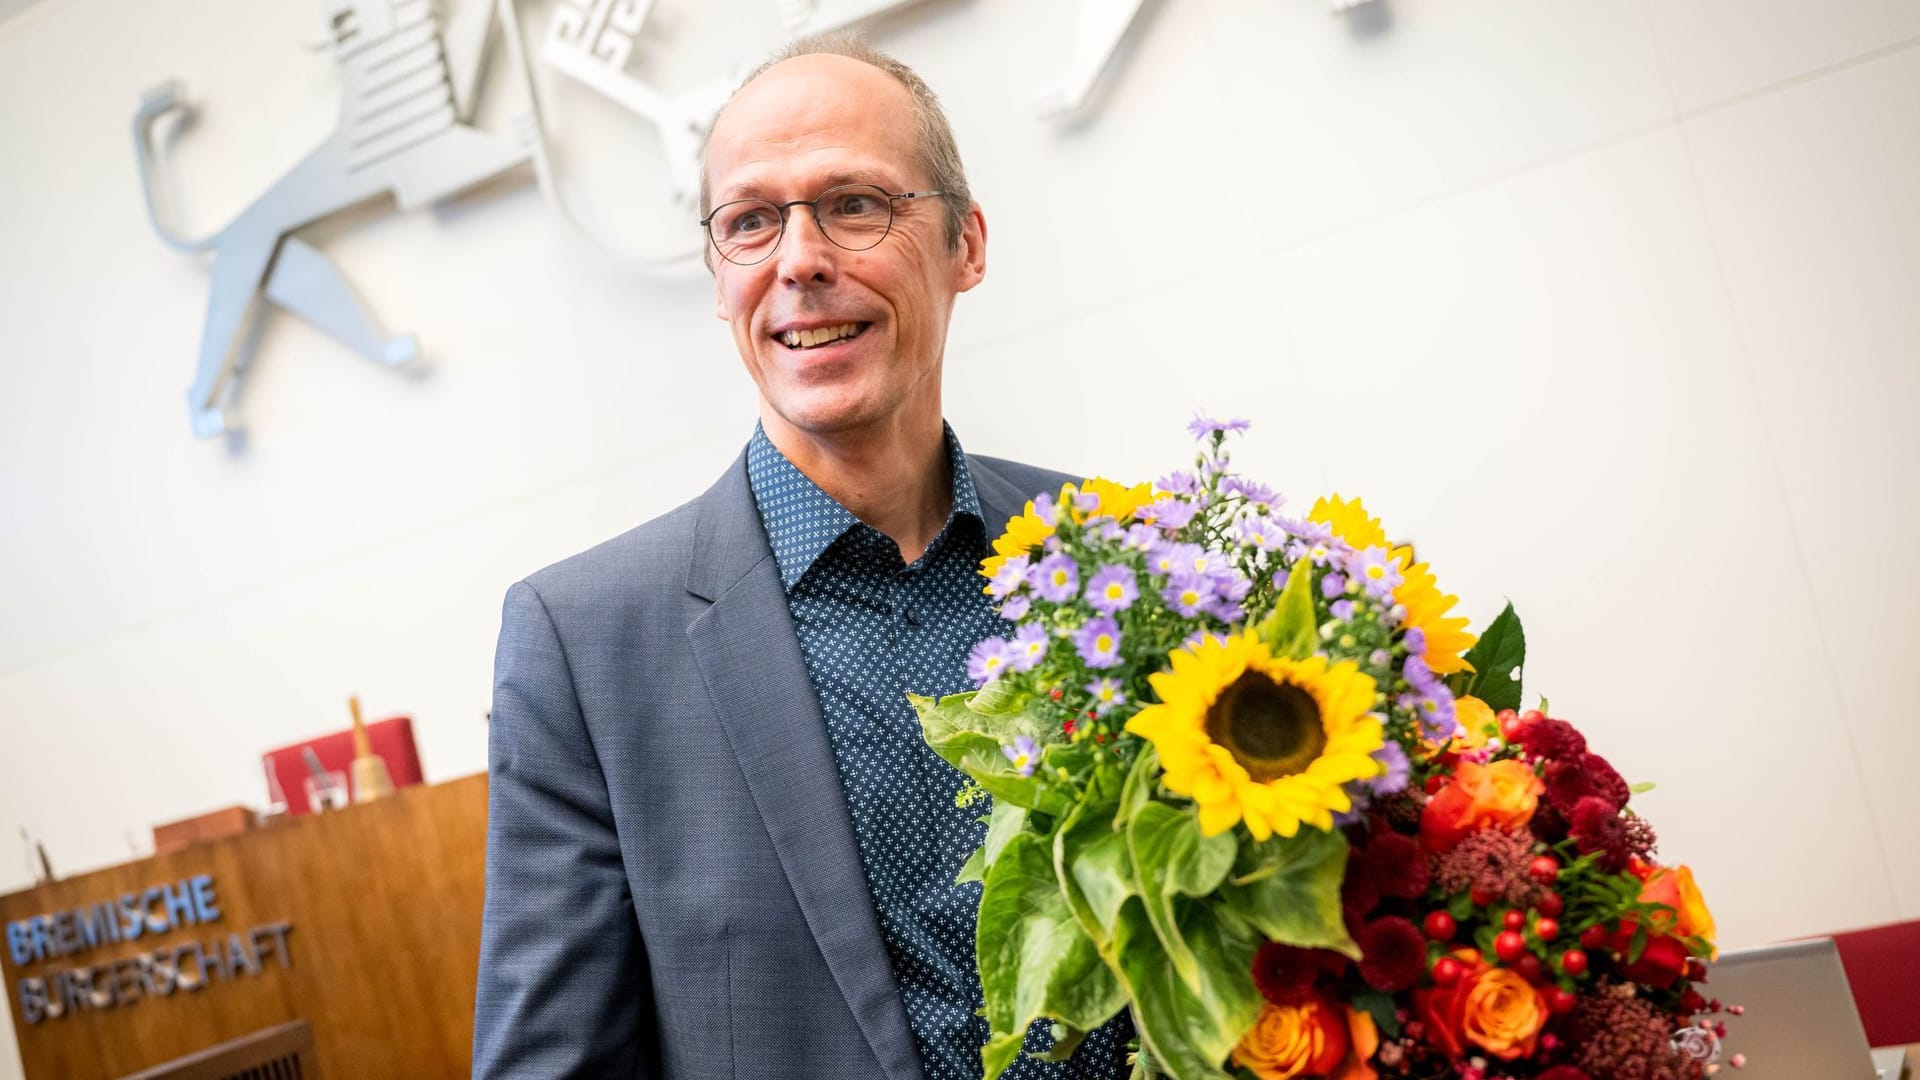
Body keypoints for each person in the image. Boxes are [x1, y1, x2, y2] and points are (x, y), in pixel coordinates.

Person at [472, 33, 1131, 1080]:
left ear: (966, 244)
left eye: (855, 204)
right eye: (750, 222)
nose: (800, 259)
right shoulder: (586, 647)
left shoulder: (1120, 556)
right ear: (719, 275)